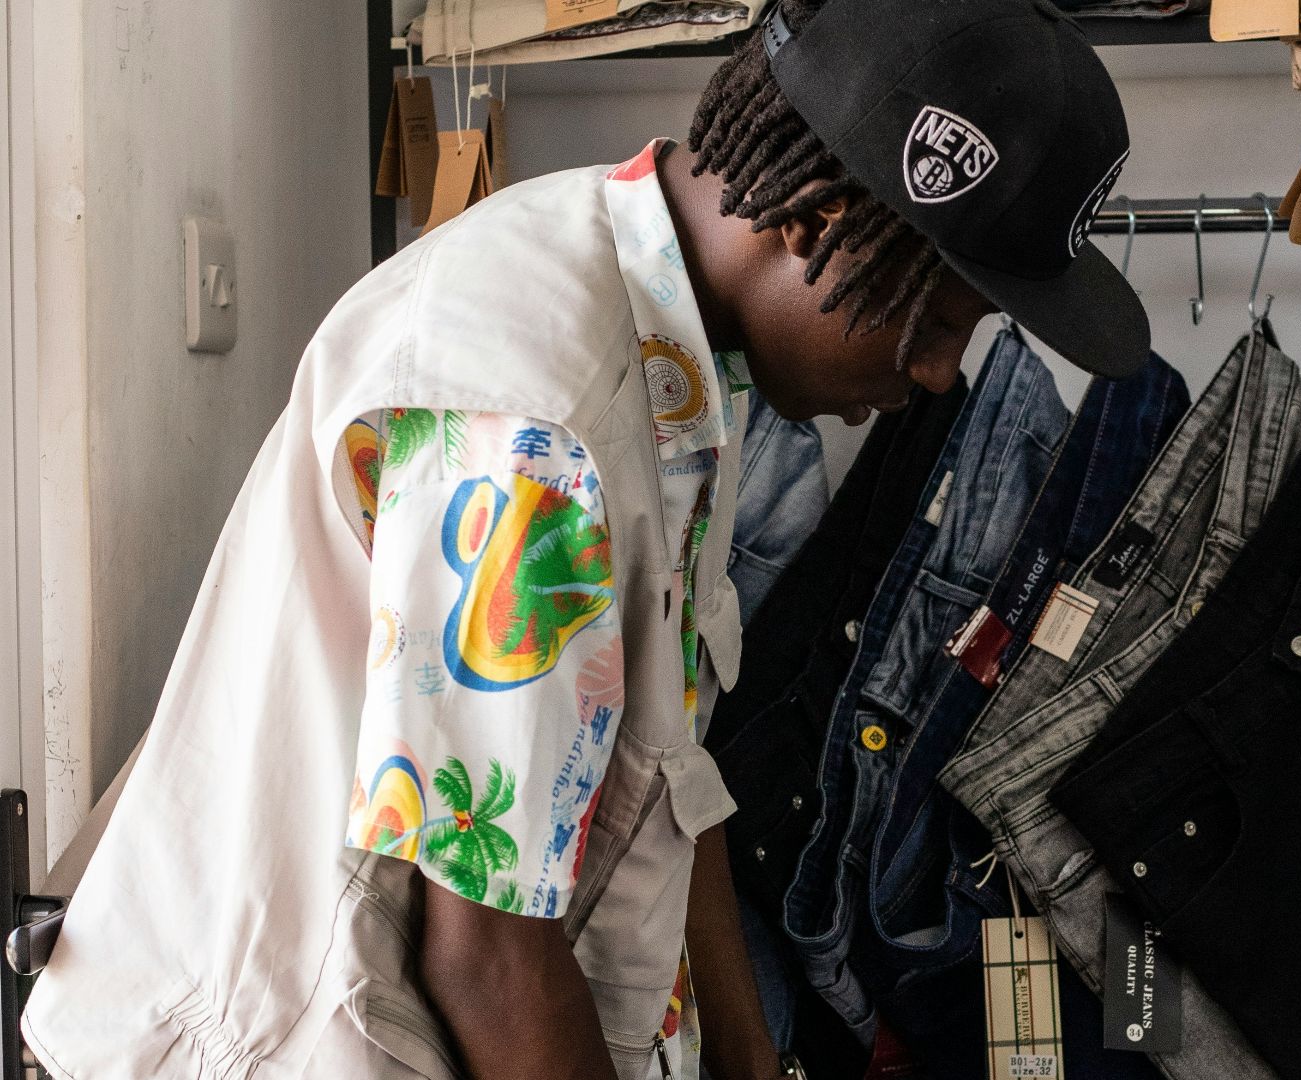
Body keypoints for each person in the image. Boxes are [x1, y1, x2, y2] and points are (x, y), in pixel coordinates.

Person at [19, 0, 1144, 1077]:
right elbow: (483, 955)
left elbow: (666, 757)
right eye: (941, 318)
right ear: (815, 222)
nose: (940, 373)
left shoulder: (677, 340)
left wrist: (763, 1062)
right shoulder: (535, 428)